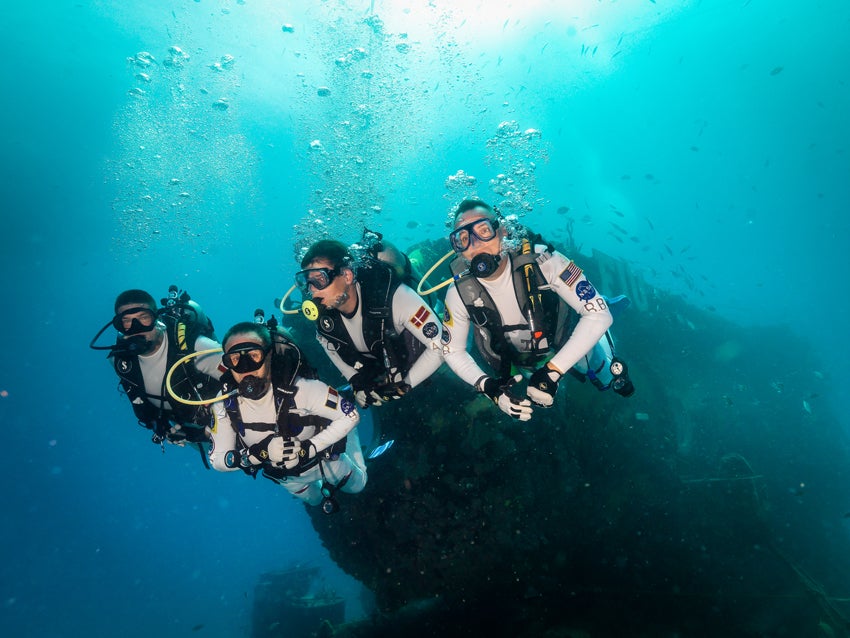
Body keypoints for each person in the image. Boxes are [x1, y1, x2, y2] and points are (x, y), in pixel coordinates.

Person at [437, 198, 635, 422]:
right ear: (456, 249)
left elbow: (598, 315)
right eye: (462, 239)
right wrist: (489, 388)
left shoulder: (545, 260)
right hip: (521, 361)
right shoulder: (458, 292)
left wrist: (553, 371)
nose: (475, 244)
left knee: (605, 377)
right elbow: (452, 350)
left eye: (483, 230)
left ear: (502, 231)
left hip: (567, 340)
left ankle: (603, 326)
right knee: (545, 406)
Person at [208, 322, 366, 512]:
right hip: (288, 478)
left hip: (326, 462)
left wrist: (308, 449)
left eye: (254, 356)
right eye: (235, 359)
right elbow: (218, 459)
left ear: (270, 355)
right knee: (315, 501)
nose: (245, 368)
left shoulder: (302, 388)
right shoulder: (224, 402)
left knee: (358, 486)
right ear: (226, 364)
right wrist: (257, 455)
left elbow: (351, 415)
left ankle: (351, 440)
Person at [295, 239, 444, 408]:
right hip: (382, 359)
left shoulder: (395, 296)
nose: (312, 289)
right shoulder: (324, 319)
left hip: (413, 346)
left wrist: (404, 385)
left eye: (320, 279)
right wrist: (355, 381)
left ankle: (418, 262)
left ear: (347, 275)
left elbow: (440, 346)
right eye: (306, 281)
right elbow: (325, 342)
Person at [91, 288, 224, 456]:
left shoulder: (197, 348)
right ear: (119, 327)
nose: (136, 328)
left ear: (157, 319)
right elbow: (139, 401)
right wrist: (162, 427)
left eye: (143, 318)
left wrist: (206, 432)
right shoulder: (120, 363)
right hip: (185, 430)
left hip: (227, 421)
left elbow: (244, 380)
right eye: (127, 321)